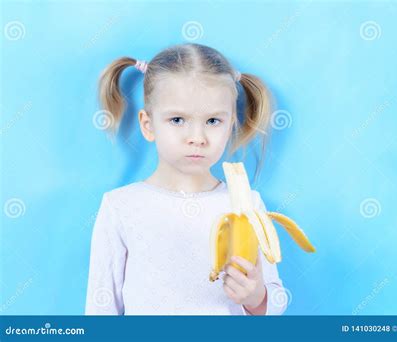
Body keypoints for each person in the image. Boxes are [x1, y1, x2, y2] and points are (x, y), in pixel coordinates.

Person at [85, 43, 288, 315]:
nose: (197, 138)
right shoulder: (120, 207)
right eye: (178, 120)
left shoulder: (247, 206)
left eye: (213, 121)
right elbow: (101, 306)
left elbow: (275, 299)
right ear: (148, 125)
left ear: (231, 126)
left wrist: (255, 297)